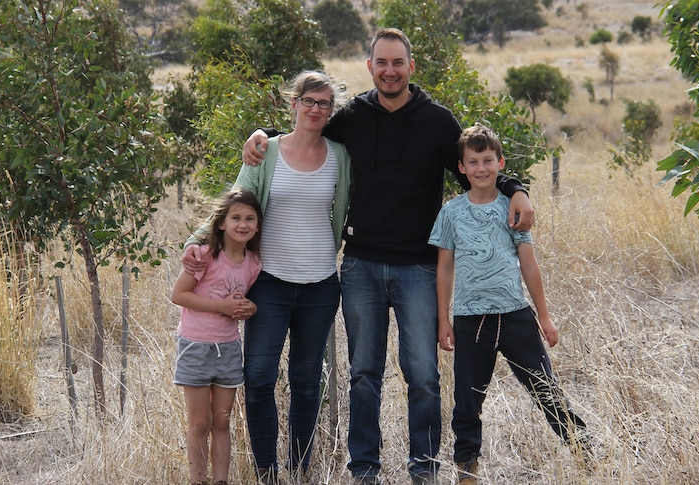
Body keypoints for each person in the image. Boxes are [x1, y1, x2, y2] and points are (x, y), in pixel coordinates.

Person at [241, 28, 536, 485]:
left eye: (398, 63)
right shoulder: (353, 116)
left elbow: (475, 169)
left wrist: (515, 189)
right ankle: (364, 470)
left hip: (419, 266)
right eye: (382, 62)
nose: (390, 71)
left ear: (411, 67)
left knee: (422, 375)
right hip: (360, 266)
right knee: (364, 375)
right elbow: (307, 133)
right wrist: (264, 135)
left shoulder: (437, 121)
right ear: (370, 66)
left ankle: (424, 469)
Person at [183, 71, 351, 485]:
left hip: (320, 285)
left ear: (332, 110)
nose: (315, 109)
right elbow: (234, 203)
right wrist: (197, 240)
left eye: (323, 103)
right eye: (308, 101)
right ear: (292, 103)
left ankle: (299, 469)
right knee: (259, 379)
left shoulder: (341, 155)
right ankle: (266, 472)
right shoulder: (265, 151)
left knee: (307, 380)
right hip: (269, 284)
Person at [428, 125, 590, 484]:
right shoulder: (451, 213)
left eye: (488, 160)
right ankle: (466, 469)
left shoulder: (513, 208)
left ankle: (586, 452)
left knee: (546, 391)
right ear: (462, 167)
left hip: (515, 316)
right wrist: (444, 320)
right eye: (473, 161)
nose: (481, 168)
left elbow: (529, 264)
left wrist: (544, 317)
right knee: (467, 401)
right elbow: (443, 269)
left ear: (500, 163)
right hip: (471, 320)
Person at [171, 189, 263, 485]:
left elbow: (240, 300)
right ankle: (198, 480)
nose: (243, 224)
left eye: (250, 218)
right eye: (235, 217)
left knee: (222, 421)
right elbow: (179, 295)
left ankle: (221, 481)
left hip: (229, 349)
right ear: (221, 222)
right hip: (196, 346)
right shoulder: (205, 255)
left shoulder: (253, 263)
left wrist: (249, 308)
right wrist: (221, 307)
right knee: (200, 422)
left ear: (258, 226)